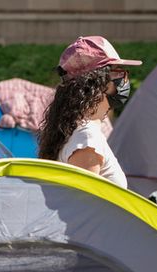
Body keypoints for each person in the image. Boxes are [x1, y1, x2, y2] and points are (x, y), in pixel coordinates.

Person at [38, 36, 141, 188]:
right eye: (119, 72)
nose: (125, 79)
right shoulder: (87, 140)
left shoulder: (76, 130)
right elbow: (85, 208)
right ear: (98, 81)